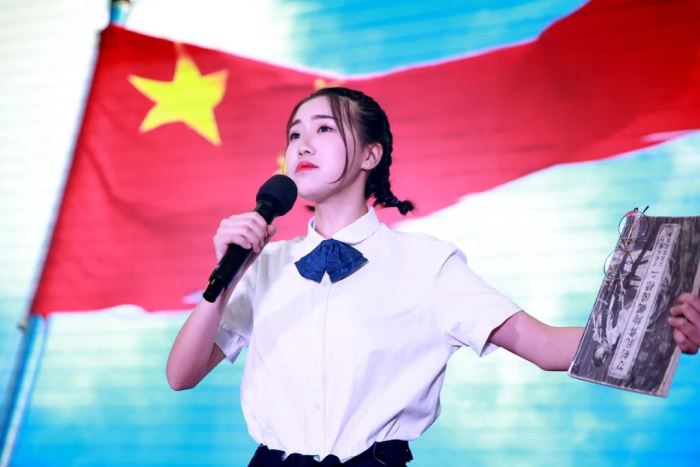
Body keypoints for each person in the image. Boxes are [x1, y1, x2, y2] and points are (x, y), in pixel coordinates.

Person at [166, 87, 700, 466]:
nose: (302, 144)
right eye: (294, 134)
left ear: (371, 154)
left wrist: (665, 328)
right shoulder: (264, 266)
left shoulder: (427, 264)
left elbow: (542, 346)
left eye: (324, 129)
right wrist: (227, 278)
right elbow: (180, 375)